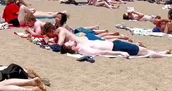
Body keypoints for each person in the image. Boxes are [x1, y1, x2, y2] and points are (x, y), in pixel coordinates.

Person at [42, 23, 172, 58]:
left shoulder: (62, 32)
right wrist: (119, 54)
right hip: (114, 47)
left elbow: (59, 45)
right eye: (68, 44)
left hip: (112, 45)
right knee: (144, 52)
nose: (68, 42)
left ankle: (163, 52)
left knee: (143, 50)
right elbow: (100, 53)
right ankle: (165, 55)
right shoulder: (81, 47)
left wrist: (49, 42)